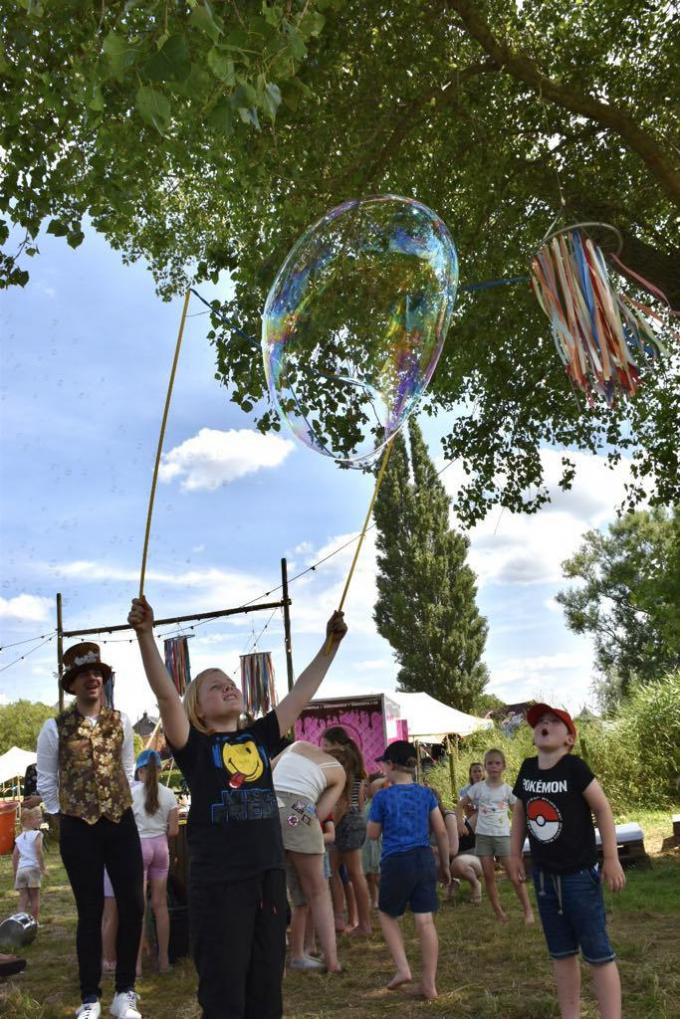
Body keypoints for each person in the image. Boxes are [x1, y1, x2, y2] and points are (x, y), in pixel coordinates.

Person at [128, 595, 347, 1019]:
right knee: (225, 991)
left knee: (266, 988)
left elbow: (302, 691)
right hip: (219, 885)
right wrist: (145, 635)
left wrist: (330, 646)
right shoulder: (195, 746)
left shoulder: (261, 736)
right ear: (198, 708)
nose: (228, 685)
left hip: (267, 876)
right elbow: (167, 698)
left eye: (230, 681)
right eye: (215, 685)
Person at [36, 642, 144, 1019]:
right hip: (78, 826)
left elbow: (128, 767)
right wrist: (62, 815)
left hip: (120, 822)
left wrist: (118, 802)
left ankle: (125, 992)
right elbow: (47, 779)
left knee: (133, 904)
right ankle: (89, 998)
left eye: (97, 672)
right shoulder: (54, 727)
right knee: (89, 910)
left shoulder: (122, 721)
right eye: (84, 674)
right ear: (72, 684)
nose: (93, 678)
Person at [508, 704, 625, 1019]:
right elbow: (520, 814)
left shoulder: (575, 768)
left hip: (579, 877)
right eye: (540, 722)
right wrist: (514, 853)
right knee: (561, 954)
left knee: (598, 953)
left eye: (553, 722)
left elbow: (603, 809)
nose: (544, 724)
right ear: (534, 735)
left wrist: (611, 858)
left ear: (569, 738)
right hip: (545, 878)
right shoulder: (527, 768)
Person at [367, 740, 450, 1001]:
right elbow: (441, 831)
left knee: (387, 914)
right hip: (424, 859)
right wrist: (445, 865)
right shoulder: (426, 794)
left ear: (390, 765)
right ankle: (429, 984)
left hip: (396, 861)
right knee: (425, 921)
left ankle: (403, 968)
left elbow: (372, 834)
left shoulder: (382, 797)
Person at [272, 740, 345, 973]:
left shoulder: (297, 744)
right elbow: (320, 814)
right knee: (318, 891)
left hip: (265, 806)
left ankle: (286, 956)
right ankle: (332, 961)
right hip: (298, 809)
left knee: (275, 890)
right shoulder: (339, 772)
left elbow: (267, 769)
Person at [457, 748, 534, 925]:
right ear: (485, 767)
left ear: (503, 766)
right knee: (489, 876)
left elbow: (518, 816)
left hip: (503, 837)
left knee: (514, 875)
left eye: (497, 763)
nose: (493, 766)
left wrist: (518, 841)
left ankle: (528, 910)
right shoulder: (477, 789)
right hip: (483, 837)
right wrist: (460, 823)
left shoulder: (508, 791)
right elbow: (460, 805)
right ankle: (499, 913)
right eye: (489, 763)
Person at [131, 749, 179, 975]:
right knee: (160, 906)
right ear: (159, 770)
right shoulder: (170, 795)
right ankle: (164, 961)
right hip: (161, 849)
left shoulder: (131, 794)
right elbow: (174, 831)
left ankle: (137, 967)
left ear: (140, 772)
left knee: (138, 908)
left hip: (139, 848)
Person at [321, 728, 372, 936]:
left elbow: (341, 804)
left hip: (345, 822)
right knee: (339, 873)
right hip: (351, 821)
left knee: (353, 874)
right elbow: (357, 803)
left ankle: (361, 923)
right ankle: (344, 919)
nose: (322, 750)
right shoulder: (355, 769)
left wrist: (328, 823)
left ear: (337, 745)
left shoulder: (342, 769)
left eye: (325, 745)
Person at [12, 806, 46, 921]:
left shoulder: (19, 838)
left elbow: (15, 856)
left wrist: (15, 872)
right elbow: (38, 851)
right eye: (38, 817)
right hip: (33, 870)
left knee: (23, 899)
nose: (41, 820)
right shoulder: (37, 834)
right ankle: (34, 923)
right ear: (29, 820)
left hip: (21, 871)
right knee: (35, 898)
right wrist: (43, 868)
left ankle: (20, 923)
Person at [457, 761, 484, 852]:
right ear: (470, 774)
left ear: (483, 773)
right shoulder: (464, 790)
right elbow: (462, 808)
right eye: (475, 771)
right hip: (470, 822)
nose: (477, 774)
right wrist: (460, 822)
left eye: (479, 771)